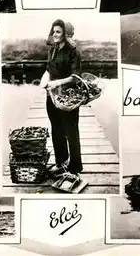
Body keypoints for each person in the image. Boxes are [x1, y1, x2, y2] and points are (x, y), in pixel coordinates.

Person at [40, 19, 83, 178]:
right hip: (52, 95)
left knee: (71, 131)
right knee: (56, 128)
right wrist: (46, 80)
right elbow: (48, 69)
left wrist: (57, 82)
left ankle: (75, 168)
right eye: (54, 31)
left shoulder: (74, 52)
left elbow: (76, 77)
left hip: (68, 96)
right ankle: (61, 161)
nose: (55, 34)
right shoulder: (53, 49)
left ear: (66, 34)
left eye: (58, 31)